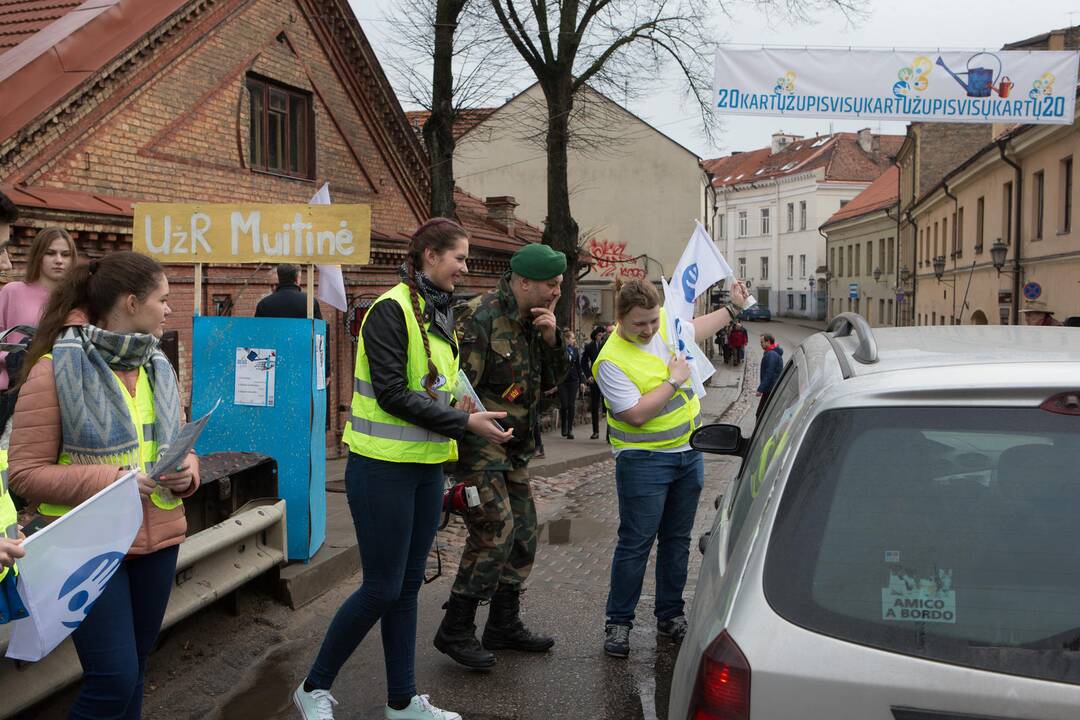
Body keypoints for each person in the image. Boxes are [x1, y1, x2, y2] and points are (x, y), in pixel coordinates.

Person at [293, 218, 510, 720]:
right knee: (382, 588)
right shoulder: (390, 310)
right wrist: (464, 421)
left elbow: (443, 382)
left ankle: (403, 701)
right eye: (459, 257)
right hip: (382, 470)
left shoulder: (438, 313)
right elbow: (392, 393)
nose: (465, 266)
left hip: (424, 468)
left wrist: (481, 417)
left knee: (408, 588)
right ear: (430, 256)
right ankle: (313, 686)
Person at [9, 251, 200, 719]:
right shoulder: (54, 369)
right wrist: (111, 482)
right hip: (88, 547)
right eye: (163, 299)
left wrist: (188, 472)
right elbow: (24, 473)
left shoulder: (158, 365)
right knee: (112, 681)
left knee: (134, 672)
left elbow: (177, 441)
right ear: (132, 303)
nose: (169, 310)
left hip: (158, 540)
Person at [594, 277, 750, 659]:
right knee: (636, 544)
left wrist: (733, 308)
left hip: (687, 453)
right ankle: (619, 622)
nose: (648, 330)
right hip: (644, 462)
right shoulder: (609, 360)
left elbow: (696, 328)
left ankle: (669, 615)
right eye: (639, 324)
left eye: (652, 321)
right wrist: (672, 380)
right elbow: (634, 415)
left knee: (677, 542)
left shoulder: (664, 321)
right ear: (620, 319)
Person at [434, 243, 569, 670]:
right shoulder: (480, 316)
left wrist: (551, 338)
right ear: (524, 281)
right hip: (478, 448)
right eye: (551, 284)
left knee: (525, 532)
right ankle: (456, 627)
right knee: (495, 530)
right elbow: (456, 387)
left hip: (514, 449)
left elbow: (556, 380)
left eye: (560, 285)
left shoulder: (536, 320)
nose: (556, 293)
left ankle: (503, 625)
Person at [0, 227, 77, 392]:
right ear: (38, 256)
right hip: (13, 387)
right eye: (50, 253)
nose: (58, 260)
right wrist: (13, 357)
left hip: (59, 389)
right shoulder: (13, 291)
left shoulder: (78, 300)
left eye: (65, 254)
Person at [255, 264, 323, 319]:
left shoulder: (264, 304)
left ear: (279, 278)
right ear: (297, 279)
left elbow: (257, 332)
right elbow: (319, 332)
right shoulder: (310, 302)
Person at [581, 325, 608, 440]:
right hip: (594, 378)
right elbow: (583, 362)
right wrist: (588, 376)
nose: (601, 336)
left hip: (606, 378)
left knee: (609, 406)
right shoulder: (589, 346)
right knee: (594, 405)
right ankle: (595, 431)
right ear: (595, 335)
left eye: (602, 334)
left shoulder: (607, 345)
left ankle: (609, 434)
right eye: (599, 334)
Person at [558, 329, 584, 439]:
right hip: (563, 381)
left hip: (574, 380)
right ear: (566, 339)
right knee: (564, 405)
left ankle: (570, 429)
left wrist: (582, 381)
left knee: (571, 404)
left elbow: (578, 367)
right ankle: (563, 426)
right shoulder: (560, 350)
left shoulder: (575, 350)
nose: (573, 340)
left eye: (573, 338)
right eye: (572, 338)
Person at [756, 333, 784, 417]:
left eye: (762, 342)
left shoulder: (771, 354)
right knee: (764, 413)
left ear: (768, 342)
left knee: (760, 414)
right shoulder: (771, 352)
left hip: (770, 389)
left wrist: (761, 389)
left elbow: (769, 373)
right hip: (770, 388)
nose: (761, 344)